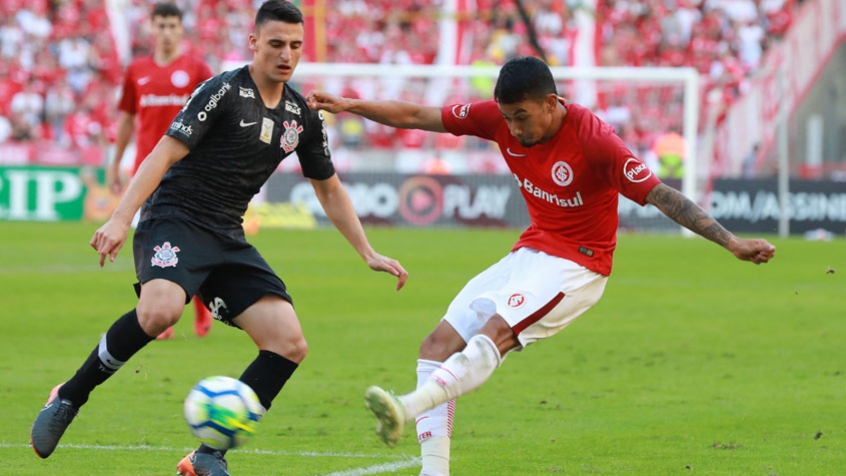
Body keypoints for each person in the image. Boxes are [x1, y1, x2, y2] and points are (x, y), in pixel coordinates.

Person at [306, 56, 776, 476]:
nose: (512, 129)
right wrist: (350, 103)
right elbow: (415, 115)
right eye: (507, 118)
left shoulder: (595, 141)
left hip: (579, 266)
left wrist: (730, 241)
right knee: (436, 344)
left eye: (522, 118)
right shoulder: (499, 118)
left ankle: (406, 408)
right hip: (530, 252)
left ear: (551, 103)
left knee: (495, 332)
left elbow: (662, 196)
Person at [30, 2, 408, 476]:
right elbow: (163, 152)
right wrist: (120, 218)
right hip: (175, 218)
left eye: (295, 45)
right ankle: (69, 396)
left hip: (227, 234)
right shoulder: (223, 90)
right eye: (276, 44)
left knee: (289, 343)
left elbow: (328, 186)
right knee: (160, 310)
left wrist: (367, 251)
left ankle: (207, 456)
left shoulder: (302, 116)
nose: (286, 54)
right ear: (254, 43)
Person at [109, 2, 215, 340]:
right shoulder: (136, 70)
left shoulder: (198, 69)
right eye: (161, 26)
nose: (167, 32)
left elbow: (215, 120)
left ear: (181, 29)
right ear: (151, 28)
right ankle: (156, 313)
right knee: (149, 240)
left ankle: (201, 307)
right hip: (147, 170)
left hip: (189, 170)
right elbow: (127, 119)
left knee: (193, 239)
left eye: (173, 25)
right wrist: (115, 163)